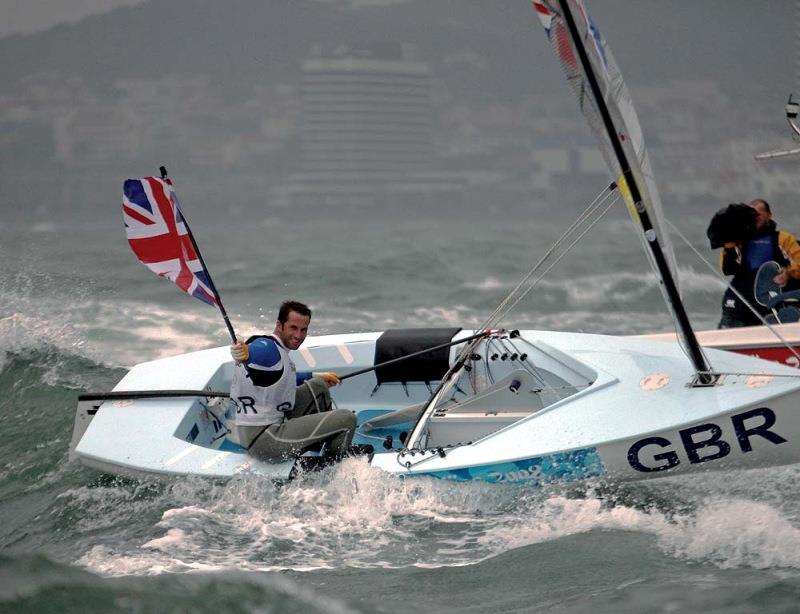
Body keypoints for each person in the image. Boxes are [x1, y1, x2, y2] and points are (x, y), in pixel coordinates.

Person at [229, 300, 360, 462]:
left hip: (258, 428)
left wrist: (314, 375)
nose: (298, 335)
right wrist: (246, 352)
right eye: (293, 328)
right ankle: (333, 467)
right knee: (347, 419)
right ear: (279, 325)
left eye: (303, 330)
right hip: (264, 439)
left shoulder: (277, 350)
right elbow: (260, 353)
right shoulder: (267, 347)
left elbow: (280, 377)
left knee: (318, 386)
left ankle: (324, 443)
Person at [718, 199, 800, 328]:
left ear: (769, 215)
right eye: (752, 213)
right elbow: (727, 269)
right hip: (742, 303)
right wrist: (729, 246)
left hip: (772, 301)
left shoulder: (783, 238)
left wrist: (789, 273)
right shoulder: (737, 242)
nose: (756, 216)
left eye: (760, 212)